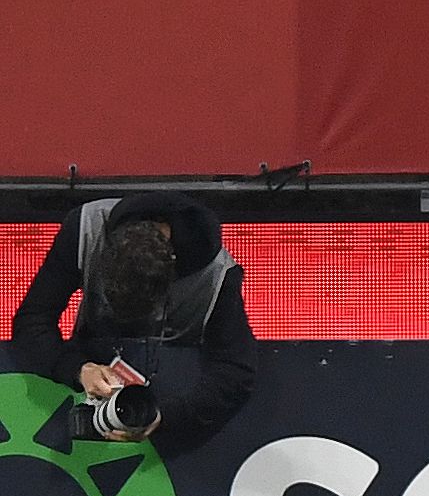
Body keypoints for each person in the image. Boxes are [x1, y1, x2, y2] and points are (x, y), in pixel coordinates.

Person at [11, 192, 257, 454]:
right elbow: (32, 321)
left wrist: (166, 416)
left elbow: (236, 373)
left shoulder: (218, 275)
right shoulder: (86, 229)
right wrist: (78, 370)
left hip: (176, 407)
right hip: (89, 387)